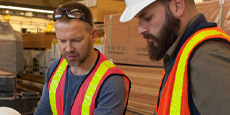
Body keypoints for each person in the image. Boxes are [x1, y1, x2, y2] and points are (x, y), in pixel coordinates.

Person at [120, 0, 230, 115]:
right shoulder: (180, 53)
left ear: (177, 6)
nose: (140, 29)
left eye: (148, 18)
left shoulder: (206, 57)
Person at [34, 1, 131, 115]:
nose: (69, 48)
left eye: (76, 40)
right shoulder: (55, 69)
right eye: (62, 41)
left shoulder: (110, 81)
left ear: (93, 36)